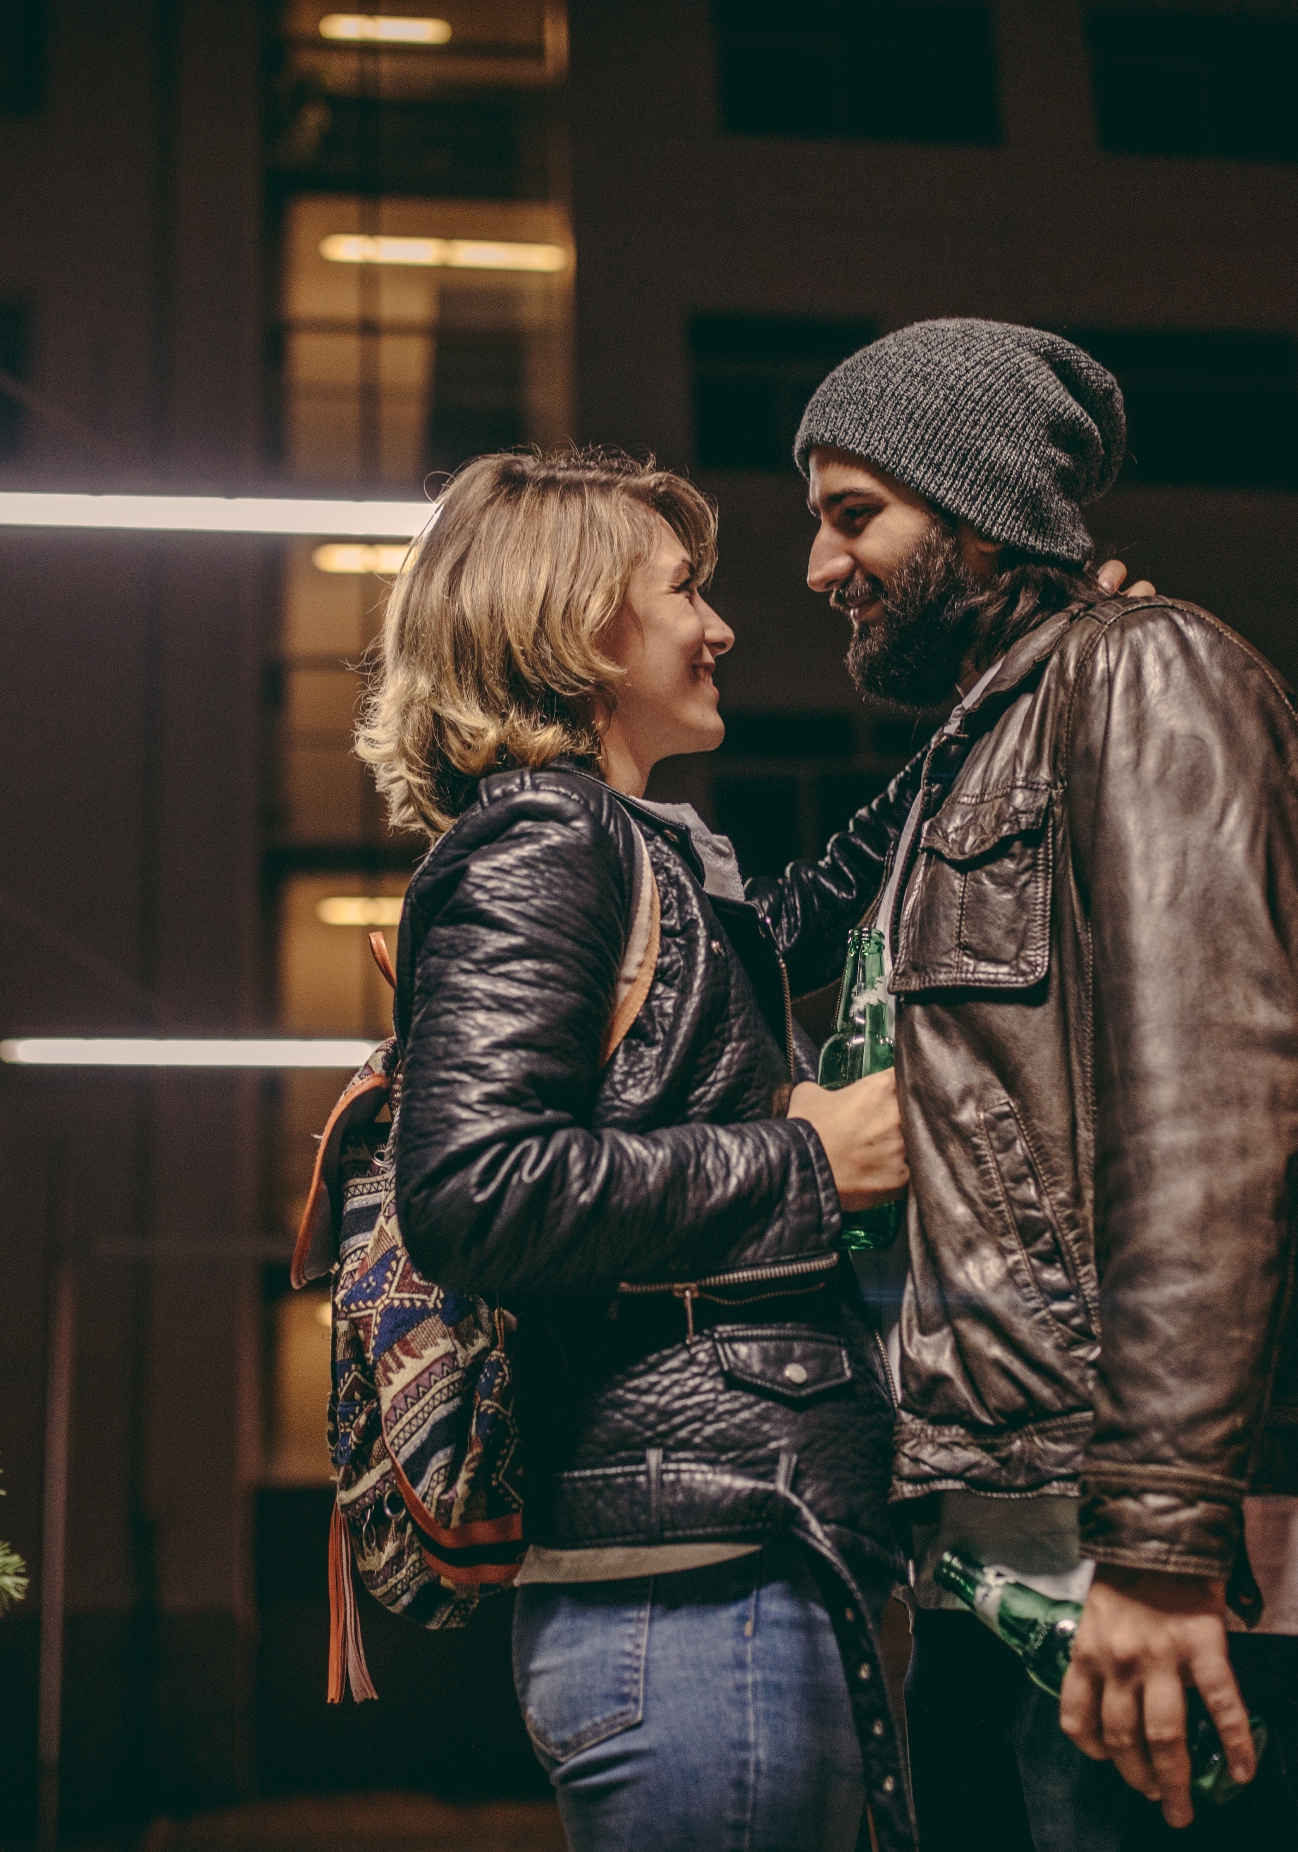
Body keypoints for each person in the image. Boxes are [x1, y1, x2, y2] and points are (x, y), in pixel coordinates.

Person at [791, 320, 1298, 1849]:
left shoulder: (1144, 673)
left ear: (980, 514)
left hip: (1120, 1547)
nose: (819, 566)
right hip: (1001, 1539)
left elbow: (1213, 1117)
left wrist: (1160, 1543)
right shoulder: (979, 751)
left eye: (854, 515)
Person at [354, 448, 923, 1852]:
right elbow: (472, 1192)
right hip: (686, 1594)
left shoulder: (632, 848)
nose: (719, 626)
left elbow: (794, 918)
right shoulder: (546, 842)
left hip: (720, 1567)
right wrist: (806, 1164)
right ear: (579, 623)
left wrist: (1001, 713)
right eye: (683, 591)